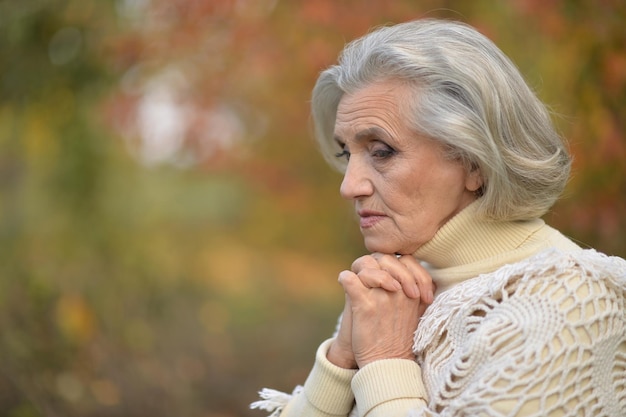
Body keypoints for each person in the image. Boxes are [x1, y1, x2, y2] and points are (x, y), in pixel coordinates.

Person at [251, 18, 626, 417]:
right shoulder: (392, 290)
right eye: (347, 154)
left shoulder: (573, 303)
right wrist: (341, 362)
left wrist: (383, 362)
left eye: (381, 151)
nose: (350, 186)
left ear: (474, 161)